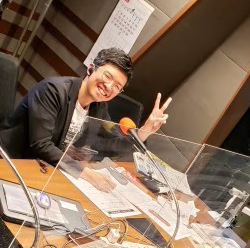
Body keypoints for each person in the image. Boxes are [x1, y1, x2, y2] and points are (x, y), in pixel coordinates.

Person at [0, 48, 171, 191]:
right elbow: (41, 144)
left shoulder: (99, 107)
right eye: (107, 76)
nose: (109, 87)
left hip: (44, 168)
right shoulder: (53, 90)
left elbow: (112, 144)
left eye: (117, 86)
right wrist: (87, 174)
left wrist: (145, 131)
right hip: (11, 161)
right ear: (91, 69)